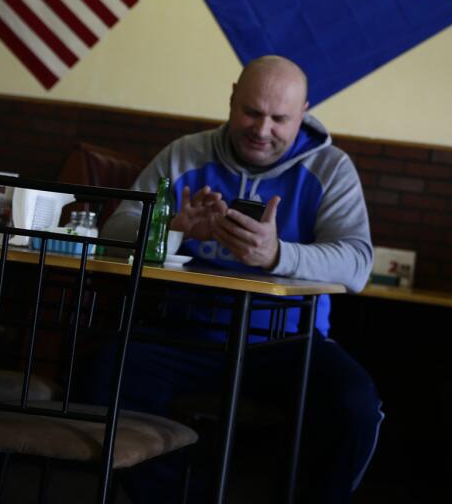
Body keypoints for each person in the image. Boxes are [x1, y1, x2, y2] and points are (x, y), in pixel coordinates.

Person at [99, 55, 381, 503]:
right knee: (105, 370)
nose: (262, 129)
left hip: (289, 342)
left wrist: (276, 254)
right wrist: (170, 230)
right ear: (231, 99)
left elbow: (357, 265)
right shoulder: (184, 154)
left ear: (303, 112)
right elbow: (111, 234)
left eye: (279, 118)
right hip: (183, 333)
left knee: (355, 407)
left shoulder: (332, 168)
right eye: (251, 112)